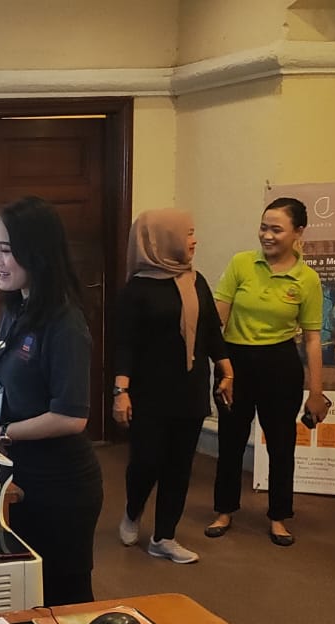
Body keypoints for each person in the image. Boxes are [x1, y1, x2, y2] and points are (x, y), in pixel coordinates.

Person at [0, 196, 103, 605]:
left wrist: (1, 432)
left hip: (60, 486)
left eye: (6, 250)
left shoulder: (64, 323)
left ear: (37, 253)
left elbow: (70, 417)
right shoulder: (16, 307)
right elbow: (2, 388)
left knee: (64, 599)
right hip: (21, 475)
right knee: (28, 595)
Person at [112, 209, 234, 564]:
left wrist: (226, 369)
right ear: (162, 239)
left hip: (190, 390)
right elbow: (125, 344)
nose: (194, 240)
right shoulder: (137, 289)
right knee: (146, 462)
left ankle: (164, 537)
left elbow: (211, 330)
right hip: (149, 392)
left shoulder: (196, 281)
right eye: (188, 233)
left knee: (179, 466)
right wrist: (121, 392)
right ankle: (132, 511)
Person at [206, 197, 326, 547]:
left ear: (299, 232)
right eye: (263, 227)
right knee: (230, 440)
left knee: (281, 443)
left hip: (280, 364)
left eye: (276, 229)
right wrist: (217, 363)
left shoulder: (307, 279)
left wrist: (316, 392)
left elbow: (313, 339)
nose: (267, 236)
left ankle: (278, 517)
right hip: (234, 364)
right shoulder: (241, 263)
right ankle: (224, 510)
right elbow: (218, 318)